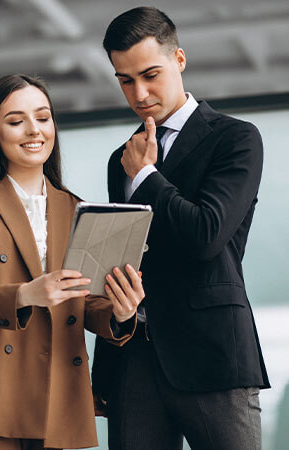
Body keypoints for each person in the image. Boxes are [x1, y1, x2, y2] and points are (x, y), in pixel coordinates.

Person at [0, 74, 144, 450]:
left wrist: (121, 312)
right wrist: (27, 293)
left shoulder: (73, 206)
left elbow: (83, 298)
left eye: (43, 118)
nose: (34, 130)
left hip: (57, 392)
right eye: (16, 121)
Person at [92, 7, 270, 450]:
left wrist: (148, 176)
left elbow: (206, 235)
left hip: (212, 355)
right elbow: (124, 258)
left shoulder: (235, 138)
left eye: (150, 74)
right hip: (135, 357)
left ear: (180, 60)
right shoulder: (123, 158)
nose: (139, 91)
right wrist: (104, 370)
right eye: (125, 79)